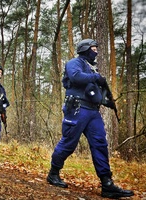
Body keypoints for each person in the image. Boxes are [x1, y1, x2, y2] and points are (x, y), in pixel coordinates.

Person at [46, 39, 134, 199]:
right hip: (77, 109)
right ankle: (53, 173)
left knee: (100, 143)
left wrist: (106, 101)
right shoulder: (75, 63)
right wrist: (96, 78)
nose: (96, 51)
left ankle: (107, 184)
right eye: (93, 48)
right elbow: (76, 77)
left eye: (96, 48)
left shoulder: (92, 68)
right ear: (85, 49)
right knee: (69, 143)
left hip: (93, 112)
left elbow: (93, 91)